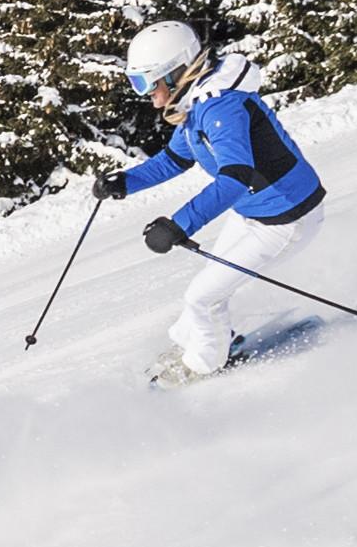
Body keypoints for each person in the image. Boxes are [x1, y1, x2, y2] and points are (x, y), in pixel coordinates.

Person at [93, 19, 327, 386]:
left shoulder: (220, 108)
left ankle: (206, 365)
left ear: (174, 74)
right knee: (205, 290)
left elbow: (237, 177)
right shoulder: (196, 106)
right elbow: (174, 160)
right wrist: (125, 182)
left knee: (202, 298)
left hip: (288, 217)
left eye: (146, 83)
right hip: (255, 213)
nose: (146, 95)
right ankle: (201, 345)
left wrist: (179, 225)